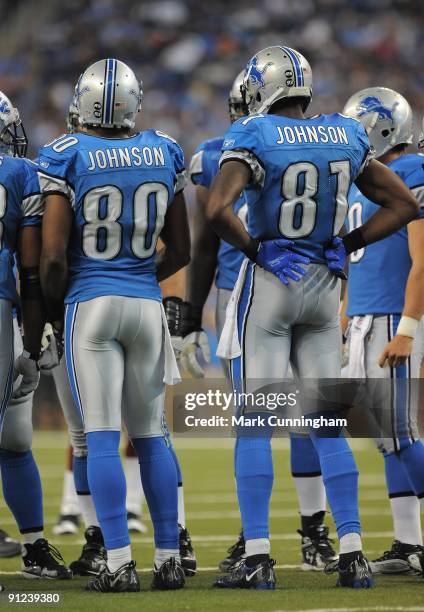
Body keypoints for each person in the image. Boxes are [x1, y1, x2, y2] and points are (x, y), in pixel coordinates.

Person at [207, 45, 418, 589]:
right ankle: (352, 552)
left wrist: (257, 250)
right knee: (328, 425)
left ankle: (257, 556)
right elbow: (403, 206)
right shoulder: (344, 134)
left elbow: (216, 210)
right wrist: (347, 243)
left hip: (274, 280)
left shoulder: (253, 134)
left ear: (262, 86)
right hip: (326, 289)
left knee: (255, 422)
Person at [39, 59, 190, 593]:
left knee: (100, 439)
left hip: (91, 305)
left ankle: (119, 562)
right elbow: (182, 249)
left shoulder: (65, 154)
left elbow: (54, 256)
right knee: (152, 437)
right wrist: (136, 277)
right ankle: (169, 558)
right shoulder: (163, 149)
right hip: (147, 305)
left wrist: (56, 304)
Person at [187, 70, 335, 572]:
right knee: (300, 419)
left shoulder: (222, 150)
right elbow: (206, 241)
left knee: (261, 422)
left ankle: (271, 541)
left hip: (250, 293)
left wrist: (189, 315)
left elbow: (207, 240)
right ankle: (301, 535)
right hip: (283, 288)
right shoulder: (315, 141)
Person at [342, 87, 424, 574]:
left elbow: (422, 257)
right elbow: (360, 256)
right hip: (367, 316)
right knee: (385, 437)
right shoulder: (360, 177)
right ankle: (408, 544)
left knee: (402, 431)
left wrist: (409, 326)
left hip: (395, 315)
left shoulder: (413, 170)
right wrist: (347, 312)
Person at [0, 91, 72, 581]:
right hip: (6, 306)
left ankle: (33, 546)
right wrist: (37, 332)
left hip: (7, 311)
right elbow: (31, 266)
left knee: (16, 437)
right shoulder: (20, 172)